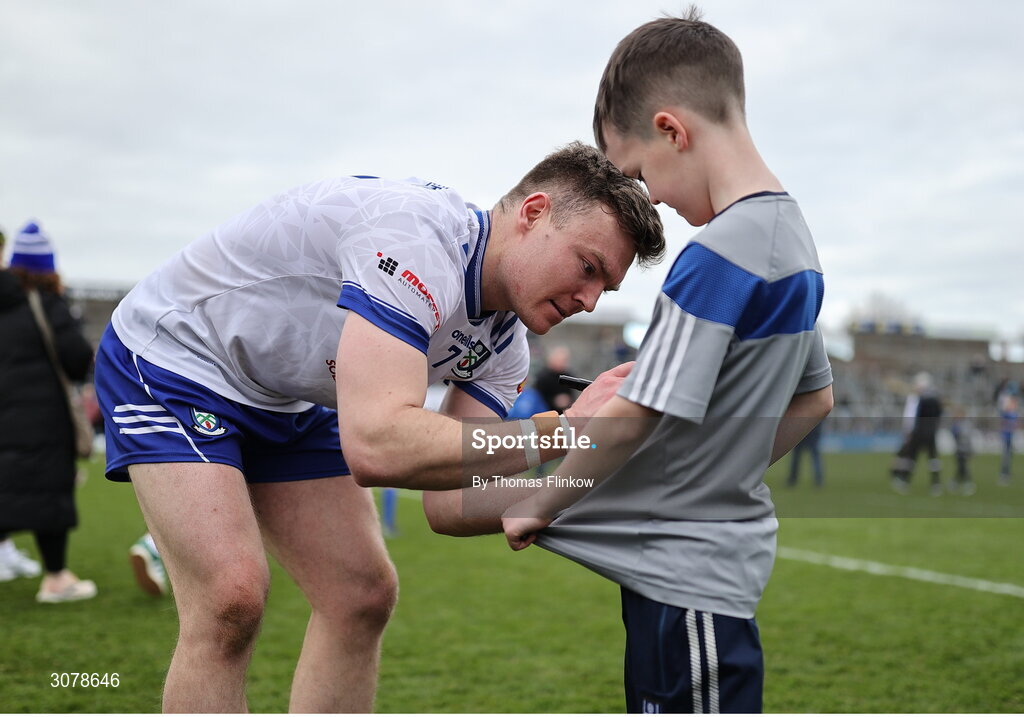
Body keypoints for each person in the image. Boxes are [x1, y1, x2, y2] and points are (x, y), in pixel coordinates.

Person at [93, 142, 664, 712]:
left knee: (361, 595)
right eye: (587, 268)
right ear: (534, 212)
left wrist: (593, 474)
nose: (589, 301)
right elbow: (377, 447)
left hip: (290, 395)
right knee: (230, 599)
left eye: (605, 288)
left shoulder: (505, 342)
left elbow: (453, 504)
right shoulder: (417, 237)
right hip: (176, 357)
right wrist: (565, 431)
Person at [427, 10, 833, 713]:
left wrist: (538, 502)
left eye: (643, 175)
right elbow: (813, 401)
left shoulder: (716, 255)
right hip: (679, 574)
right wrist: (715, 472)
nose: (658, 202)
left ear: (674, 131)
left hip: (689, 584)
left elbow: (635, 414)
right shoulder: (792, 237)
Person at [0, 221, 97, 603]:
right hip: (41, 418)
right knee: (48, 492)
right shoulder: (46, 301)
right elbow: (76, 360)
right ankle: (56, 578)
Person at [890, 372, 944, 496]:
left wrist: (909, 430)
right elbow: (939, 415)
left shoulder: (921, 399)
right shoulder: (936, 398)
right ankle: (935, 483)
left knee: (912, 457)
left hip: (919, 431)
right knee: (933, 459)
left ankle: (905, 480)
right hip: (932, 431)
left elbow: (914, 416)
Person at [533, 345, 576, 412]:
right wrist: (555, 401)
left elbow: (572, 396)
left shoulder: (569, 376)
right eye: (560, 360)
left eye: (565, 360)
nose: (563, 363)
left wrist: (567, 400)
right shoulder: (543, 377)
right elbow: (538, 398)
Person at [787, 420, 825, 488]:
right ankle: (819, 480)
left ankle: (792, 479)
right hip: (813, 431)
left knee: (797, 456)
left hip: (802, 431)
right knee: (815, 456)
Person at [948, 405, 975, 496]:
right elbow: (954, 434)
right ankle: (956, 482)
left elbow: (966, 436)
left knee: (962, 466)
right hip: (959, 448)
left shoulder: (965, 424)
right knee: (961, 466)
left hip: (965, 448)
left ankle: (965, 482)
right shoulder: (956, 424)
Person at [997, 383, 1019, 486]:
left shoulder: (1013, 411)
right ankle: (1004, 474)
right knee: (1006, 456)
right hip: (1006, 435)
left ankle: (1007, 473)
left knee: (1009, 455)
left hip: (1011, 435)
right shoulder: (1007, 411)